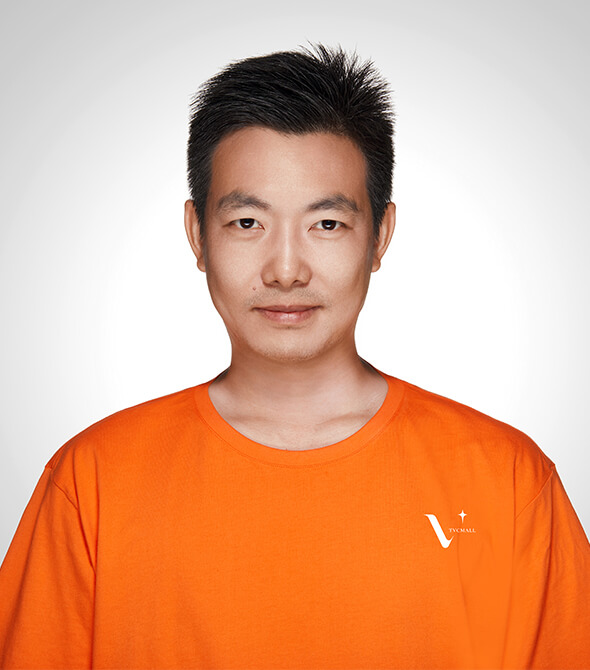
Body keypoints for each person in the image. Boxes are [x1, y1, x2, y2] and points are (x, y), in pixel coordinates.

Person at [0, 44, 588, 670]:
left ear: (380, 236)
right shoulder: (92, 482)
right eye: (247, 222)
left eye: (326, 224)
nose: (285, 270)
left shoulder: (507, 480)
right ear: (197, 235)